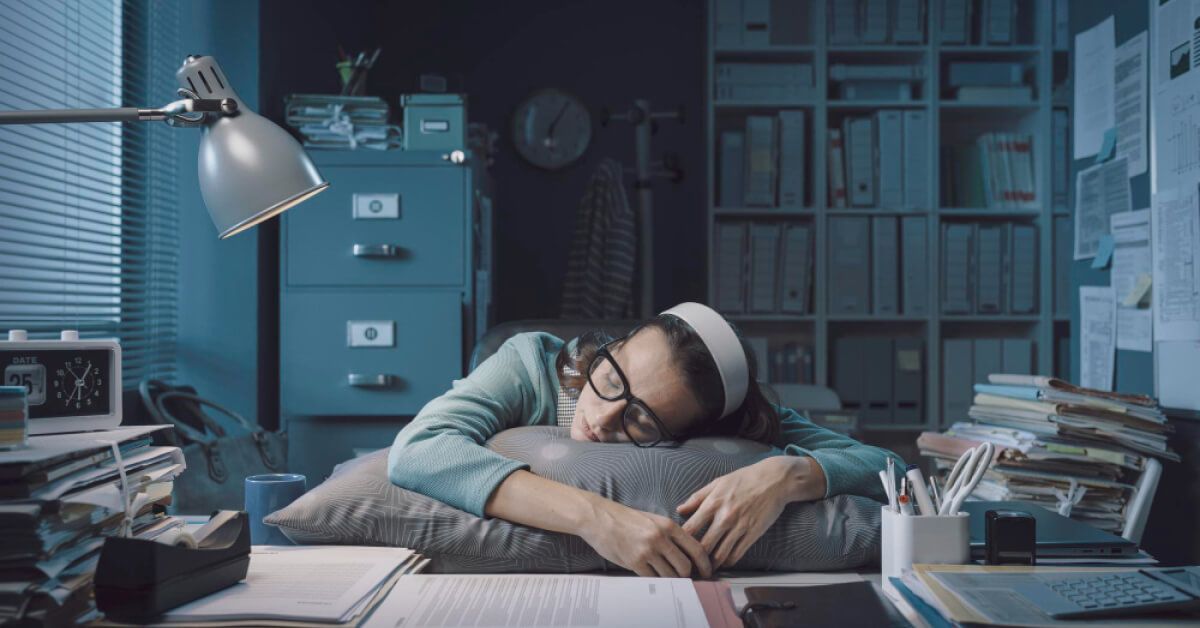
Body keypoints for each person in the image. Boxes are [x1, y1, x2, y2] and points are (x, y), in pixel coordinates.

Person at [388, 302, 902, 579]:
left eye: (642, 420)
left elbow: (896, 471)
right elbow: (420, 448)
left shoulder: (727, 418)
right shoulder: (527, 364)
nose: (604, 417)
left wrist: (783, 475)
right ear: (616, 344)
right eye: (612, 378)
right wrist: (598, 517)